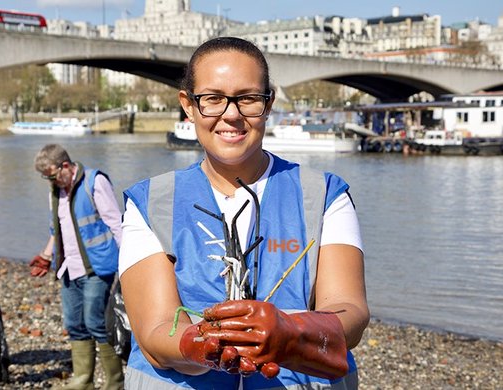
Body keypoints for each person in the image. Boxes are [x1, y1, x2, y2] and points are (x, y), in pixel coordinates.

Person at [119, 37, 370, 389]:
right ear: (188, 106)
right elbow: (156, 329)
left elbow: (350, 310)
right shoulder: (149, 202)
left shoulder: (326, 196)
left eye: (248, 98)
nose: (231, 114)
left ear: (268, 104)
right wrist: (197, 347)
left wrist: (291, 332)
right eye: (212, 99)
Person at [30, 144, 124, 390]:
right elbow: (57, 229)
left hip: (98, 267)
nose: (50, 181)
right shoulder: (55, 190)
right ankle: (83, 381)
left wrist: (129, 263)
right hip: (68, 267)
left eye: (51, 175)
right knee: (74, 324)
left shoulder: (95, 182)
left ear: (65, 166)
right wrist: (45, 255)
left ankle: (115, 383)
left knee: (96, 323)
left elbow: (116, 224)